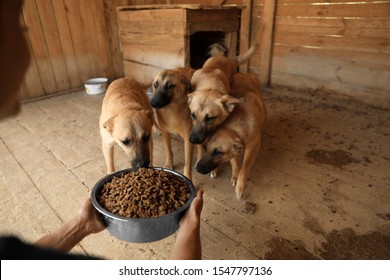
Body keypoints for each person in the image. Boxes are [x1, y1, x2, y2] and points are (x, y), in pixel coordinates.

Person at [0, 0, 204, 260]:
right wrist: (190, 226)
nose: (140, 156)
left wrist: (80, 224)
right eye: (22, 29)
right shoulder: (108, 124)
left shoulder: (145, 115)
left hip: (133, 106)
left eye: (143, 139)